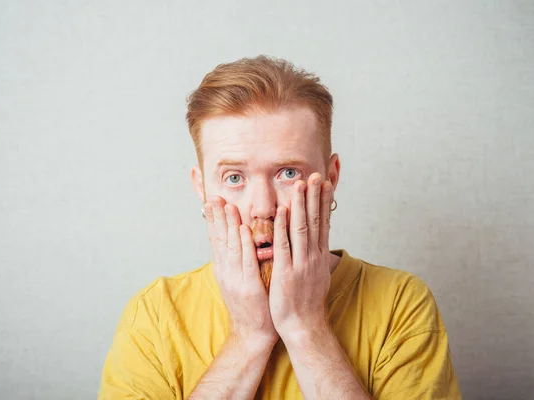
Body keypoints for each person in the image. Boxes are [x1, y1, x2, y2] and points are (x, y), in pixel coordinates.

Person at [98, 56, 461, 399]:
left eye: (289, 173)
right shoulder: (157, 313)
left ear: (331, 178)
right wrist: (248, 337)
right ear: (202, 188)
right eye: (234, 177)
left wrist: (306, 328)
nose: (263, 207)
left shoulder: (401, 303)